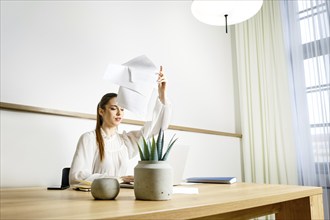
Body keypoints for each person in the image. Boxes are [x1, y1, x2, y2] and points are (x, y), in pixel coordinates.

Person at [69, 66, 171, 186]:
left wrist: (162, 95)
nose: (119, 113)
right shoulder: (89, 139)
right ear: (101, 111)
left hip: (119, 197)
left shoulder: (126, 141)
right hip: (95, 199)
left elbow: (156, 127)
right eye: (113, 108)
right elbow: (77, 177)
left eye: (122, 109)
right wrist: (119, 179)